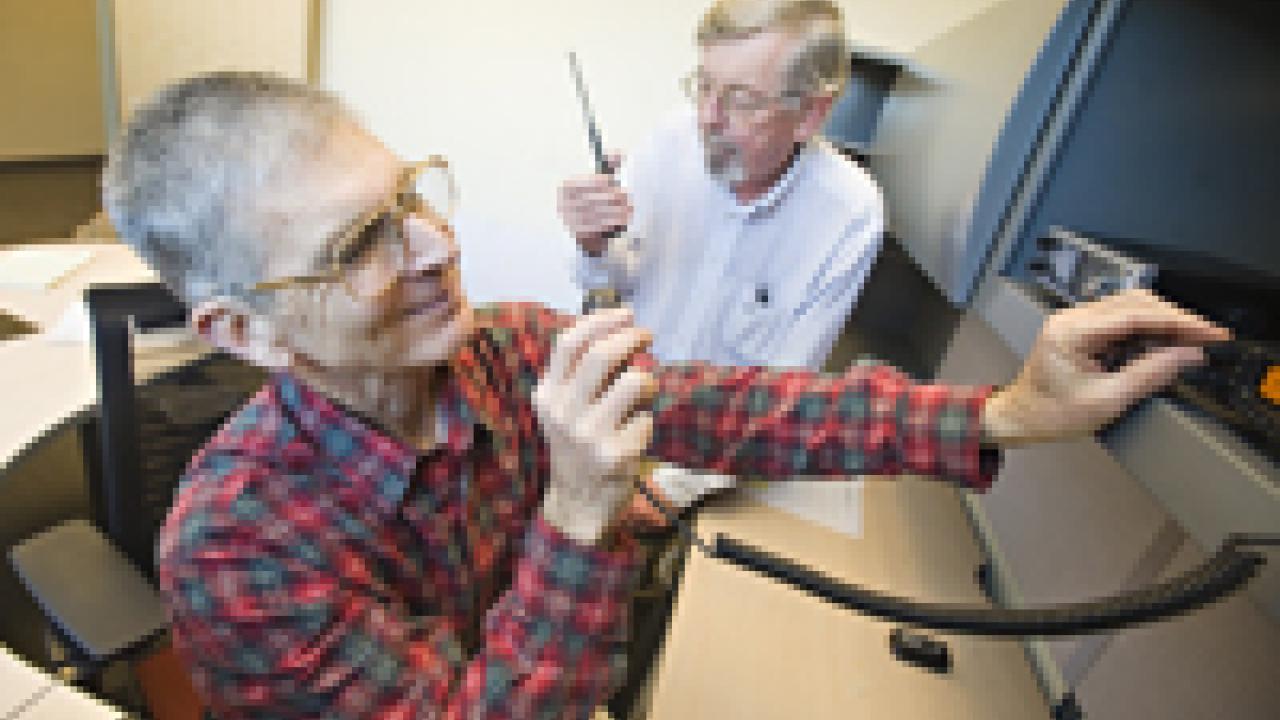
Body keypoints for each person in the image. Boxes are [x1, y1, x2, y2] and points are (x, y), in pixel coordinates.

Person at [103, 72, 1226, 720]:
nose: (434, 246)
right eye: (359, 243)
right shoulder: (231, 553)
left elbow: (734, 407)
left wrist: (1000, 412)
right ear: (240, 331)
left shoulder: (500, 349)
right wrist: (579, 515)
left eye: (408, 195)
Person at [559, 0, 884, 517]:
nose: (707, 118)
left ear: (810, 114)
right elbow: (614, 279)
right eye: (704, 86)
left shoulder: (849, 214)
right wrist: (593, 243)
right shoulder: (669, 141)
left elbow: (783, 390)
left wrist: (673, 488)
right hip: (617, 416)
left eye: (741, 100)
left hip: (714, 462)